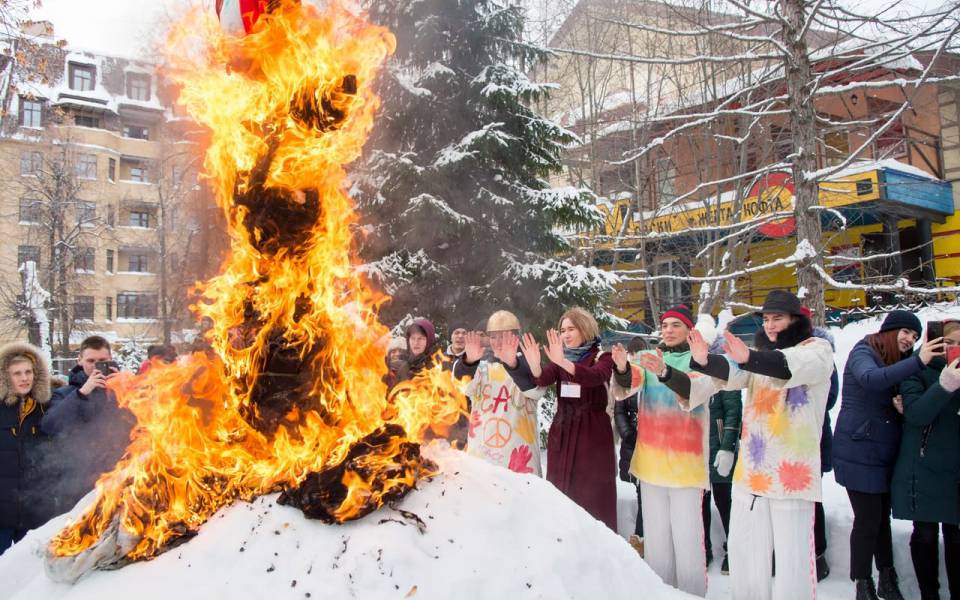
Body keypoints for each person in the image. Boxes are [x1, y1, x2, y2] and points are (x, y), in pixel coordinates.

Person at [668, 290, 834, 600]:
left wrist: (750, 357)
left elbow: (788, 364)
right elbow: (731, 373)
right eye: (767, 319)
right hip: (752, 474)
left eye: (778, 318)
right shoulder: (759, 356)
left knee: (791, 561)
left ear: (796, 320)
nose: (770, 325)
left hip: (790, 477)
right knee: (747, 555)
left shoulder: (817, 349)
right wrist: (703, 362)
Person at [611, 304, 717, 597]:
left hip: (685, 466)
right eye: (665, 325)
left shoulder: (700, 360)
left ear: (689, 330)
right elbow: (628, 385)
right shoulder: (651, 359)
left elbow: (693, 391)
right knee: (656, 540)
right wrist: (622, 368)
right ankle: (660, 593)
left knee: (687, 540)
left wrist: (667, 371)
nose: (668, 330)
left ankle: (692, 594)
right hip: (651, 463)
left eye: (676, 326)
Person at [833, 309, 937, 600]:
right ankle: (862, 584)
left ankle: (887, 577)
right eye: (905, 332)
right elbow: (870, 379)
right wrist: (918, 360)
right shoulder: (863, 351)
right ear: (889, 331)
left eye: (914, 337)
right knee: (867, 519)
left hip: (884, 452)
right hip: (857, 449)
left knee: (881, 520)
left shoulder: (900, 360)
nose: (909, 339)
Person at [508, 307, 617, 530]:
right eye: (563, 330)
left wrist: (563, 362)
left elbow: (595, 377)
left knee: (591, 491)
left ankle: (598, 544)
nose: (566, 335)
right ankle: (562, 537)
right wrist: (535, 363)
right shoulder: (561, 359)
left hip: (592, 433)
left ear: (585, 329)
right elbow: (542, 380)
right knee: (561, 489)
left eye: (571, 329)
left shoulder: (602, 357)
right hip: (564, 428)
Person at [891, 320, 960, 600]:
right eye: (950, 342)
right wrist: (944, 385)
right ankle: (928, 594)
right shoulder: (916, 370)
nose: (955, 348)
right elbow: (917, 414)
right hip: (923, 465)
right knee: (926, 534)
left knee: (956, 537)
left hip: (955, 468)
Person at [41, 336, 136, 509]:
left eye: (102, 361)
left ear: (110, 359)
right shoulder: (65, 393)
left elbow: (148, 424)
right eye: (90, 360)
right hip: (77, 484)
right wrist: (82, 393)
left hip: (119, 480)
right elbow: (50, 425)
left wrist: (125, 389)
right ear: (80, 360)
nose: (95, 365)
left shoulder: (125, 390)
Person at [453, 311, 544, 475]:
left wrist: (512, 364)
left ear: (516, 337)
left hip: (519, 456)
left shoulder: (529, 363)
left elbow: (536, 390)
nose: (499, 342)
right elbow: (463, 386)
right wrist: (468, 362)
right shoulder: (480, 367)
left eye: (505, 336)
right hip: (483, 454)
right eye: (494, 337)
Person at [0, 342, 59, 554]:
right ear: (6, 378)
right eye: (17, 373)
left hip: (35, 509)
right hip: (2, 511)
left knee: (30, 573)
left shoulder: (47, 405)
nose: (25, 378)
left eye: (28, 372)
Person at [703, 378, 741, 576]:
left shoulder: (723, 372)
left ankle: (735, 550)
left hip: (718, 449)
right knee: (700, 502)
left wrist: (727, 446)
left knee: (724, 501)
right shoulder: (689, 367)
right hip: (696, 449)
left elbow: (733, 412)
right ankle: (704, 548)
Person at [614, 336, 648, 556]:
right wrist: (627, 432)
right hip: (633, 439)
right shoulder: (625, 376)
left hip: (653, 439)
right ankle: (641, 535)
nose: (635, 358)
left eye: (638, 353)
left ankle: (641, 534)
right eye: (632, 353)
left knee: (646, 490)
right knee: (639, 489)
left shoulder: (650, 374)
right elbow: (620, 409)